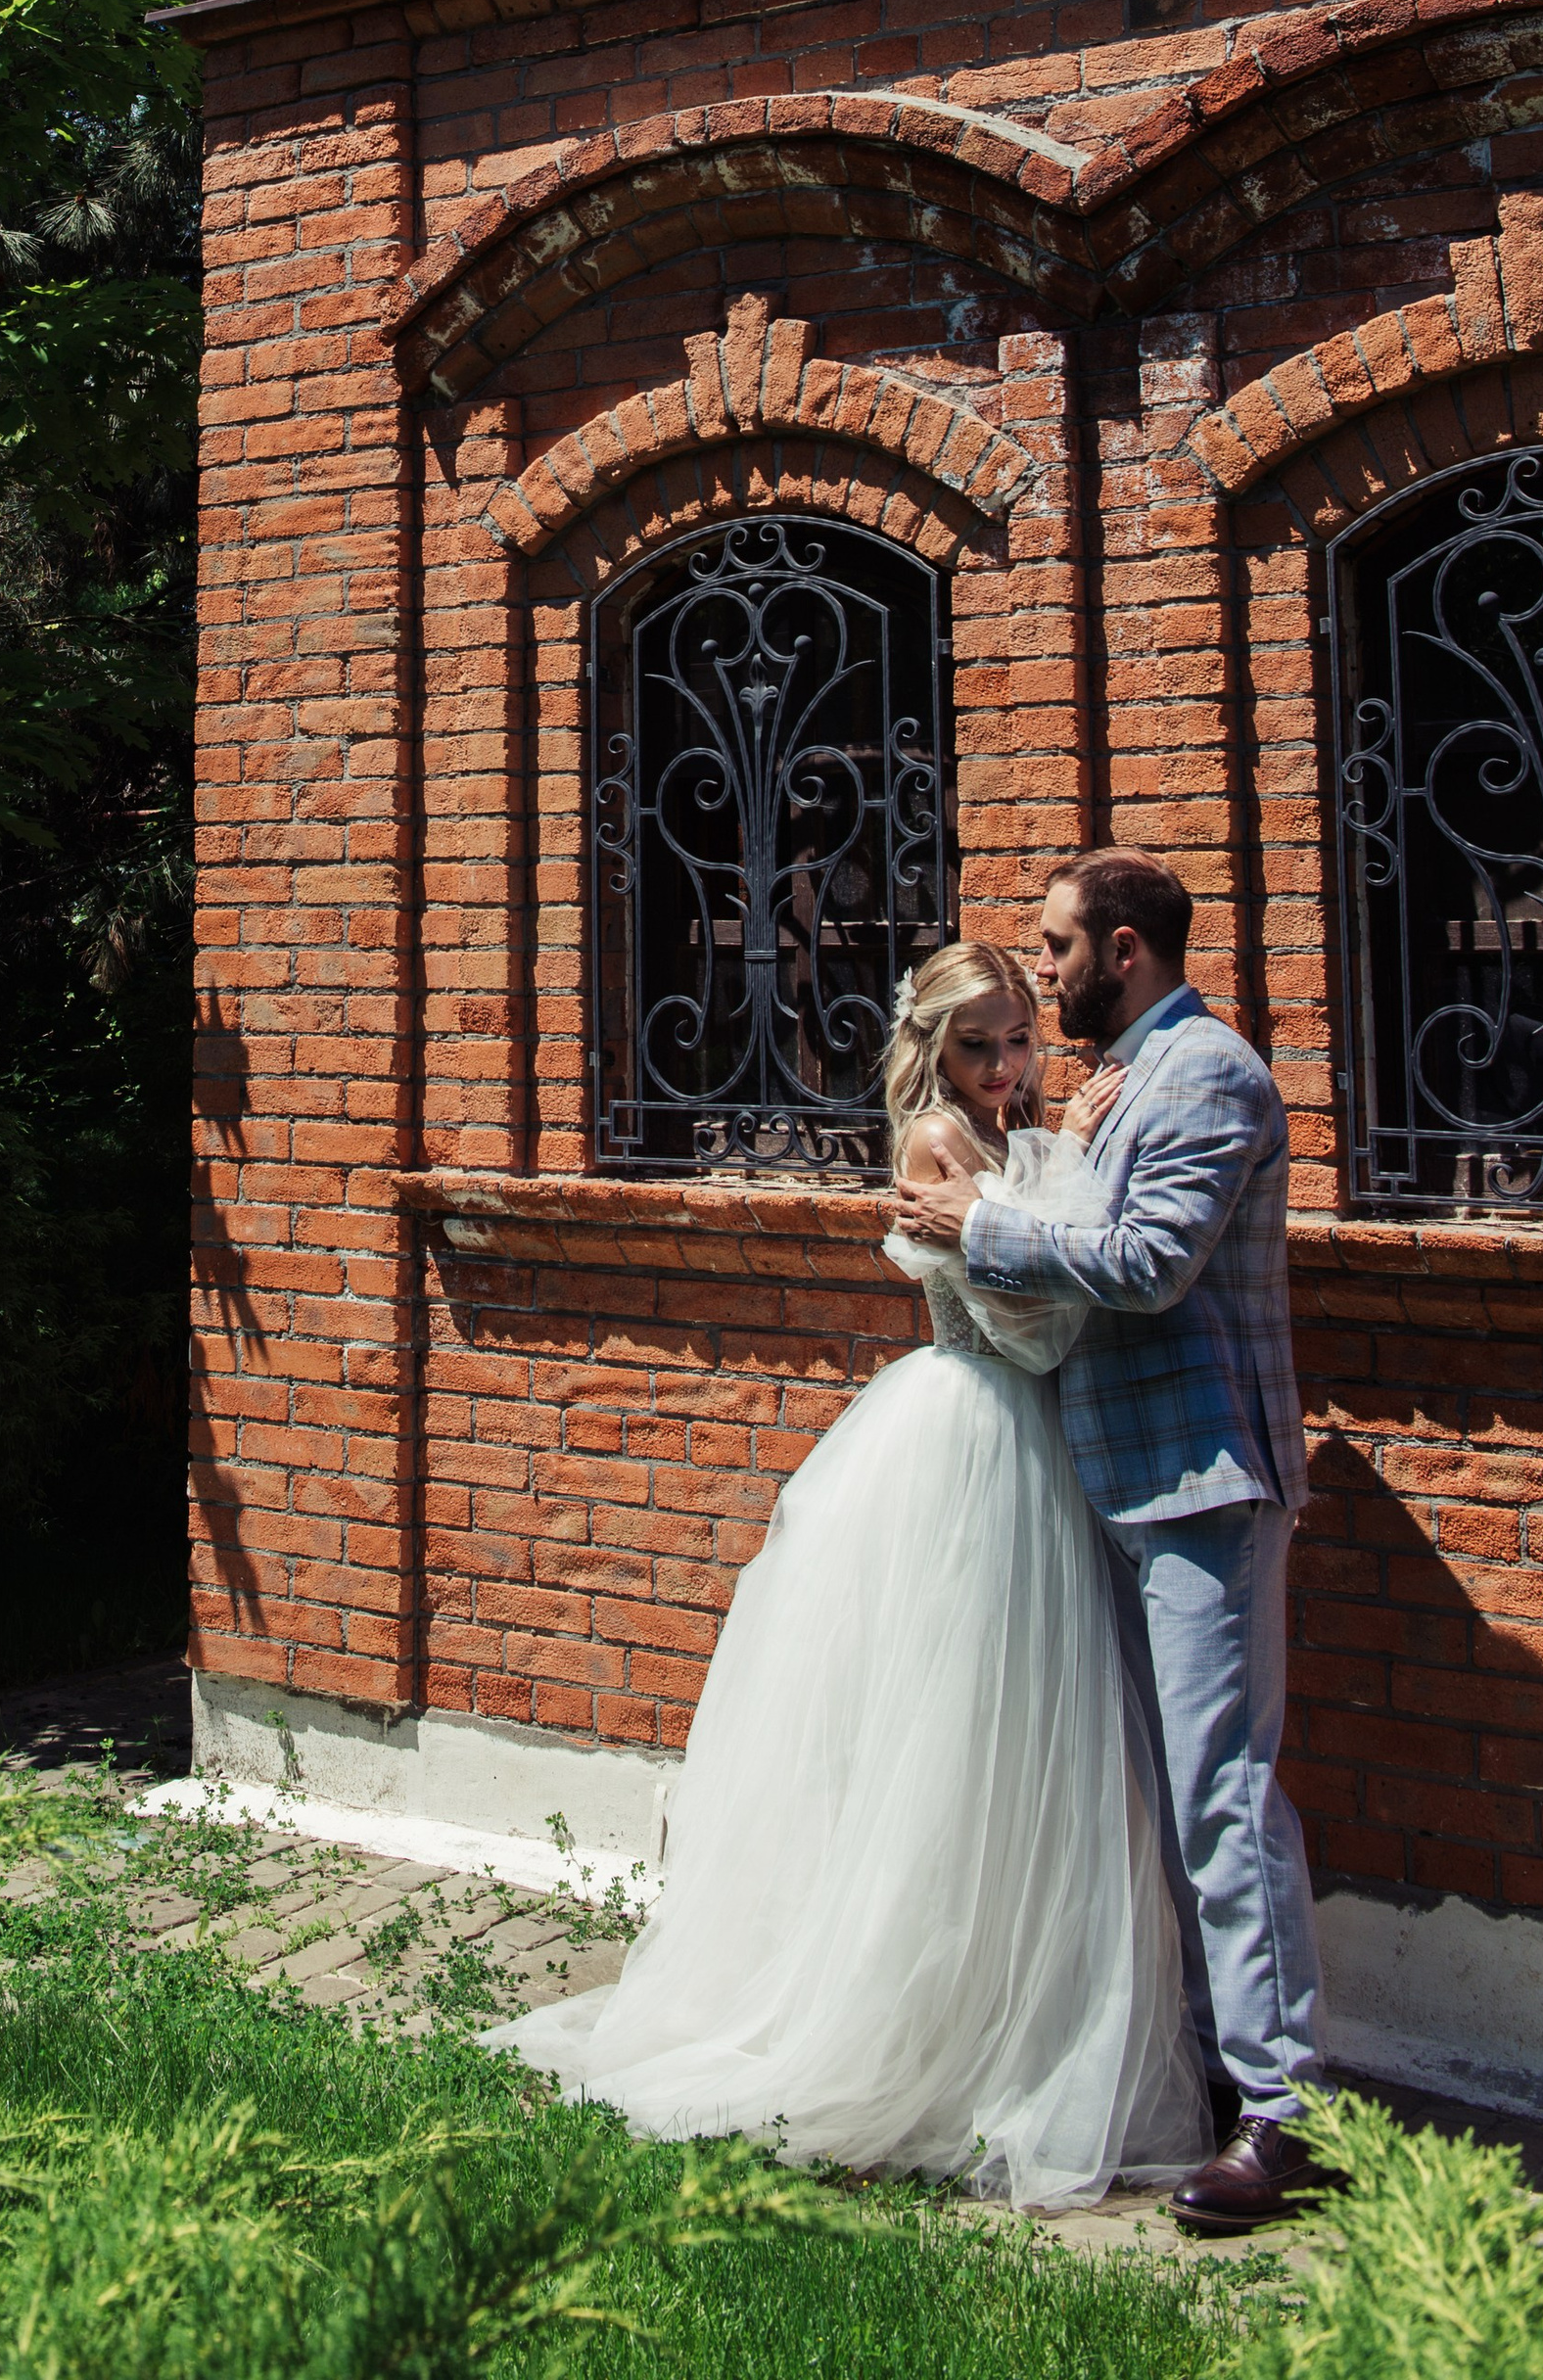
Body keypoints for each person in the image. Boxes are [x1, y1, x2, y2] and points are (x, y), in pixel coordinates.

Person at [492, 942, 1209, 2211]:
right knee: (944, 1742)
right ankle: (900, 2035)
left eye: (1019, 1039)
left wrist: (1066, 1164)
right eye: (979, 1044)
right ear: (934, 1046)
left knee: (1022, 1745)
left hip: (1034, 1458)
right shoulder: (938, 1139)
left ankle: (1009, 2019)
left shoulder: (1016, 1138)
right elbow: (1028, 1330)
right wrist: (1071, 1188)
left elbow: (1044, 1254)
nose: (1005, 1065)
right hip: (972, 1439)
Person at [895, 849, 1325, 2232]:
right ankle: (1212, 2067)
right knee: (1166, 1794)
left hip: (1203, 1480)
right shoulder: (1122, 1076)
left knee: (1223, 1794)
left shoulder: (1205, 1074)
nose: (1046, 967)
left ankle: (1291, 2118)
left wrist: (984, 1222)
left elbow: (1149, 1261)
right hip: (1126, 1478)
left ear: (1124, 949)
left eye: (1059, 945)